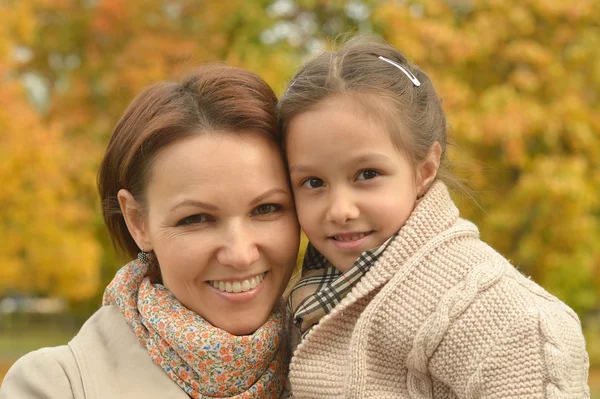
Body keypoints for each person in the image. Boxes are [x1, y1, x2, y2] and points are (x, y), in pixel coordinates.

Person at [278, 35, 590, 398]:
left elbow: (535, 346)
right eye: (313, 182)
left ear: (425, 169)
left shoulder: (493, 312)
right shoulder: (314, 288)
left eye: (367, 174)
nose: (340, 210)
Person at [0, 65, 300, 398]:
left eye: (267, 209)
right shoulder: (57, 387)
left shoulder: (346, 359)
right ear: (138, 222)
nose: (240, 254)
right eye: (197, 218)